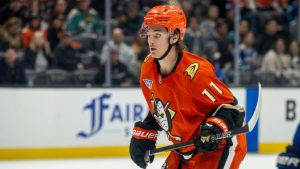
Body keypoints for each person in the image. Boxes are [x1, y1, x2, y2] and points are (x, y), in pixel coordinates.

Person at [129, 5, 247, 169]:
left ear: (175, 36)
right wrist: (148, 129)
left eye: (157, 35)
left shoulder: (196, 72)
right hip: (185, 150)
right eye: (149, 34)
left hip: (219, 148)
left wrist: (213, 129)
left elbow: (234, 110)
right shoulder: (148, 68)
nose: (150, 41)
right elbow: (161, 105)